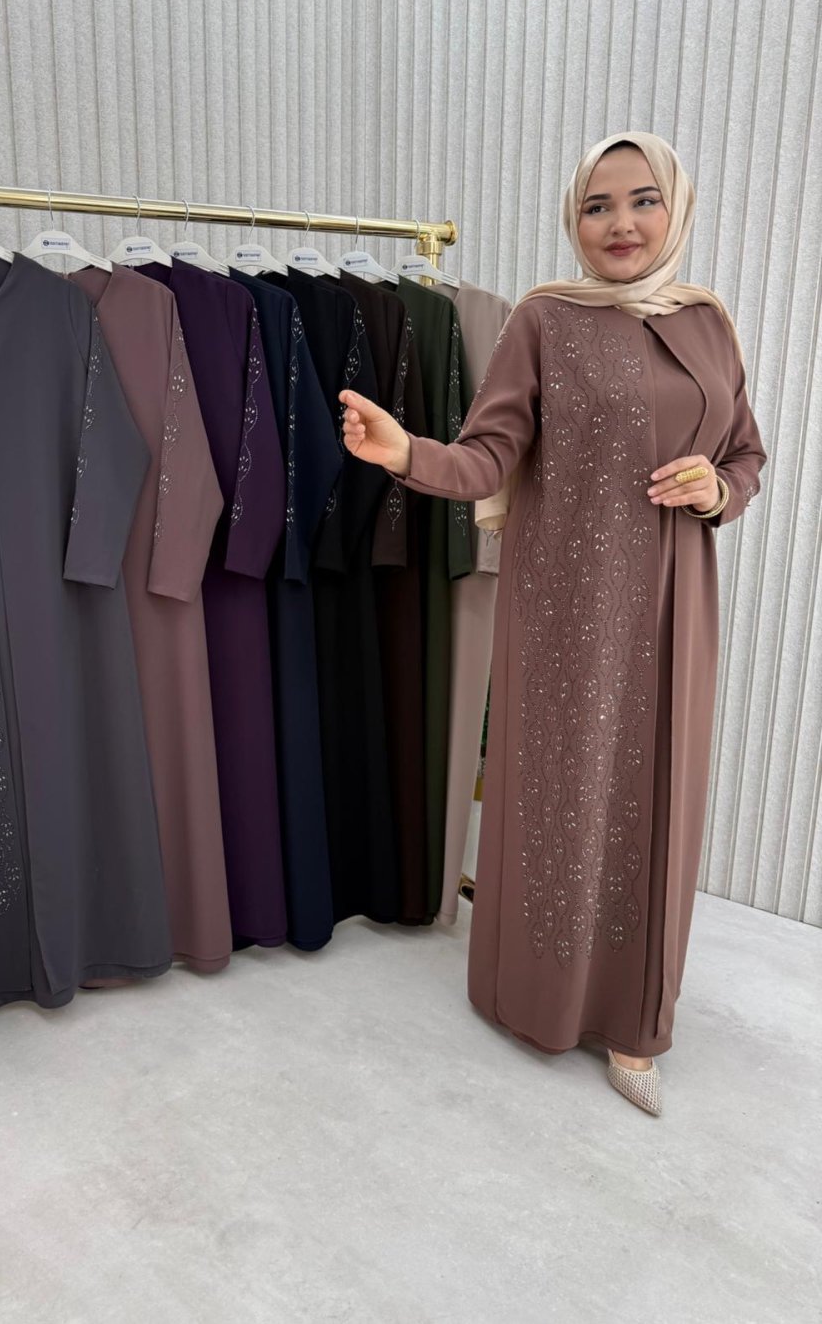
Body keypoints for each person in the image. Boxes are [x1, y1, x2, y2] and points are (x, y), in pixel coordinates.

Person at [339, 132, 768, 1116]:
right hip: (568, 608)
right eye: (595, 205)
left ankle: (634, 1021)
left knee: (657, 798)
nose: (620, 224)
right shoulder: (544, 319)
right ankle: (533, 995)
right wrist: (408, 453)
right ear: (572, 218)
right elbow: (488, 456)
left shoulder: (708, 322)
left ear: (676, 208)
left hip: (677, 607)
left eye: (642, 200)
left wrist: (717, 490)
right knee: (563, 797)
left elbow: (746, 452)